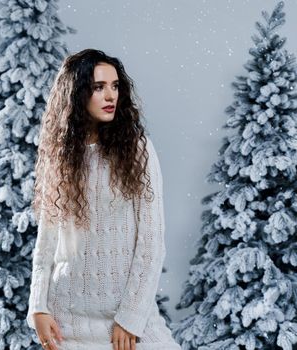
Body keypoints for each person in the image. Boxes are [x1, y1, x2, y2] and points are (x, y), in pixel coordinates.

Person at [26, 48, 181, 350]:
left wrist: (131, 316)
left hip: (124, 322)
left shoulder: (137, 150)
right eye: (98, 87)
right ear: (77, 93)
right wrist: (38, 307)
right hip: (66, 323)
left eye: (115, 86)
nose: (110, 96)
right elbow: (46, 244)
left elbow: (151, 242)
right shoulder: (61, 156)